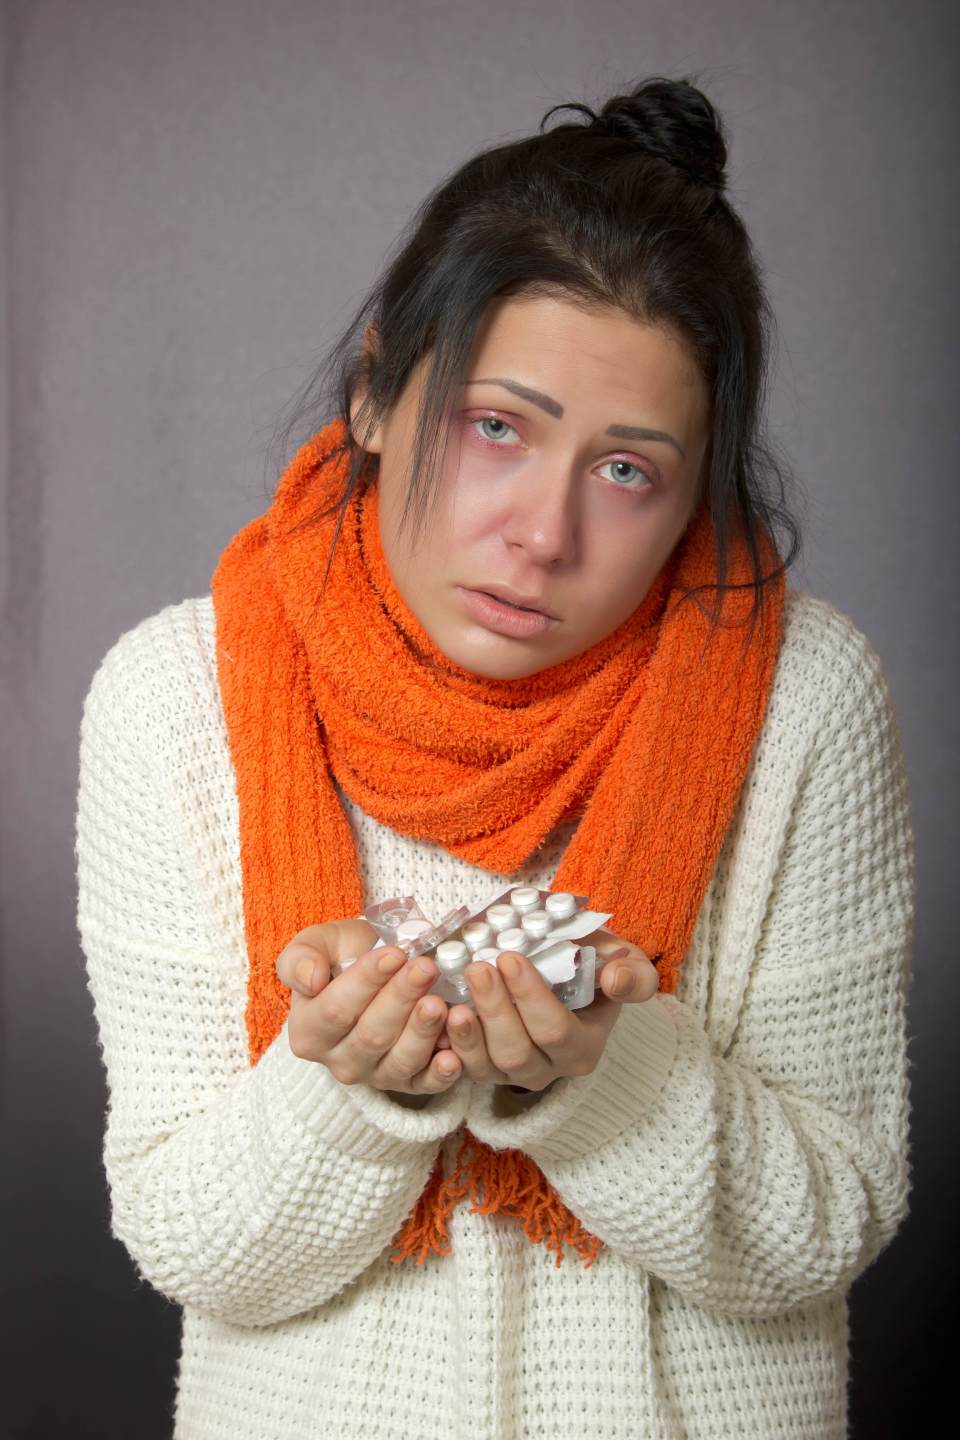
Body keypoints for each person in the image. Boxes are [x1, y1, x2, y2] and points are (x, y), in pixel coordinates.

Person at [75, 75, 915, 1440]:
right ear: (374, 391)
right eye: (498, 428)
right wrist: (347, 1088)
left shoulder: (804, 695)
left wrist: (607, 1072)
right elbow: (193, 1243)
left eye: (628, 470)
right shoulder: (173, 697)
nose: (544, 534)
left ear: (695, 492)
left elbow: (828, 1224)